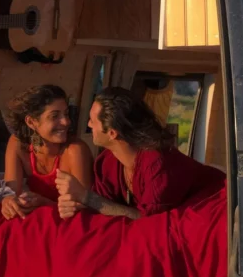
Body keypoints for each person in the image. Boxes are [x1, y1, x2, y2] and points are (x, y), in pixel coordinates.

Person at [56, 86, 224, 220]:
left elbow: (151, 222)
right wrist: (78, 206)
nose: (89, 124)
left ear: (112, 133)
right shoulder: (105, 163)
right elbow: (106, 207)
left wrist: (86, 197)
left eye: (93, 121)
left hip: (217, 211)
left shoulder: (157, 164)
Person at [0, 84, 93, 220]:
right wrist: (8, 202)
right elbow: (11, 191)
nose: (66, 122)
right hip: (40, 218)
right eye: (55, 116)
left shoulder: (75, 151)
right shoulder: (17, 143)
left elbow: (83, 209)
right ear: (31, 122)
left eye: (66, 114)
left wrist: (44, 203)